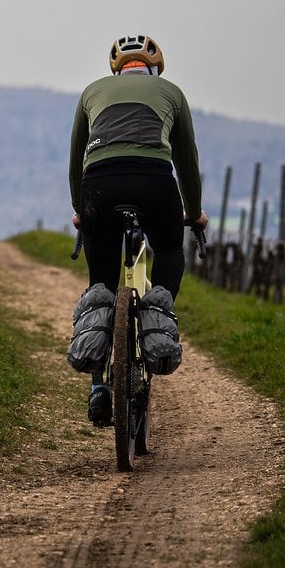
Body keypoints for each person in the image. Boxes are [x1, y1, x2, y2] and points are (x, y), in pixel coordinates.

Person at [68, 34, 209, 423]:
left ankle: (98, 385)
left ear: (116, 67)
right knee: (166, 249)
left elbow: (77, 156)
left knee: (101, 282)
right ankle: (155, 316)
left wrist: (81, 209)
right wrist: (194, 212)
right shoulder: (172, 92)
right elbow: (186, 159)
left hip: (99, 182)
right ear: (155, 66)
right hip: (155, 182)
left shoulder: (91, 91)